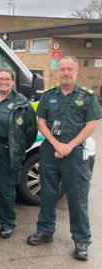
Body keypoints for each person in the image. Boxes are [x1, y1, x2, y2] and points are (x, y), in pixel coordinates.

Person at [27, 56, 101, 261]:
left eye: (69, 69)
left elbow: (91, 125)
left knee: (77, 198)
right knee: (47, 194)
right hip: (50, 151)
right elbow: (41, 122)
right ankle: (45, 231)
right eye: (62, 69)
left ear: (76, 72)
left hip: (75, 153)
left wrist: (69, 145)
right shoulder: (49, 95)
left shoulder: (87, 96)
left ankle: (82, 240)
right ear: (58, 72)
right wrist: (56, 144)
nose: (66, 73)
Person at [0, 69, 37, 238]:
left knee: (6, 189)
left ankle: (8, 223)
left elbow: (31, 133)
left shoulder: (22, 103)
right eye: (0, 79)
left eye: (7, 79)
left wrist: (17, 148)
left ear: (13, 82)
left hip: (8, 151)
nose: (3, 82)